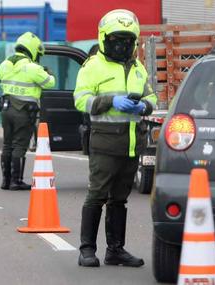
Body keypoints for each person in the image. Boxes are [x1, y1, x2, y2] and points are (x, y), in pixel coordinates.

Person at [73, 9, 157, 268]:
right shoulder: (93, 66)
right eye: (116, 40)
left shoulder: (139, 68)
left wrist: (144, 106)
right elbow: (80, 100)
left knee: (119, 199)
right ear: (104, 39)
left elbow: (152, 96)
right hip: (105, 144)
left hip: (132, 144)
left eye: (127, 40)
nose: (122, 45)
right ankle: (87, 249)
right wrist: (111, 101)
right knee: (97, 195)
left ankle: (115, 250)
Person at [0, 32, 55, 191]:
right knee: (20, 146)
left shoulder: (5, 64)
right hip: (23, 111)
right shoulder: (33, 68)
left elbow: (1, 78)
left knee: (7, 144)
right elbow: (50, 83)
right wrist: (47, 72)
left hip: (6, 109)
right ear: (32, 49)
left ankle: (6, 181)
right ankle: (17, 181)